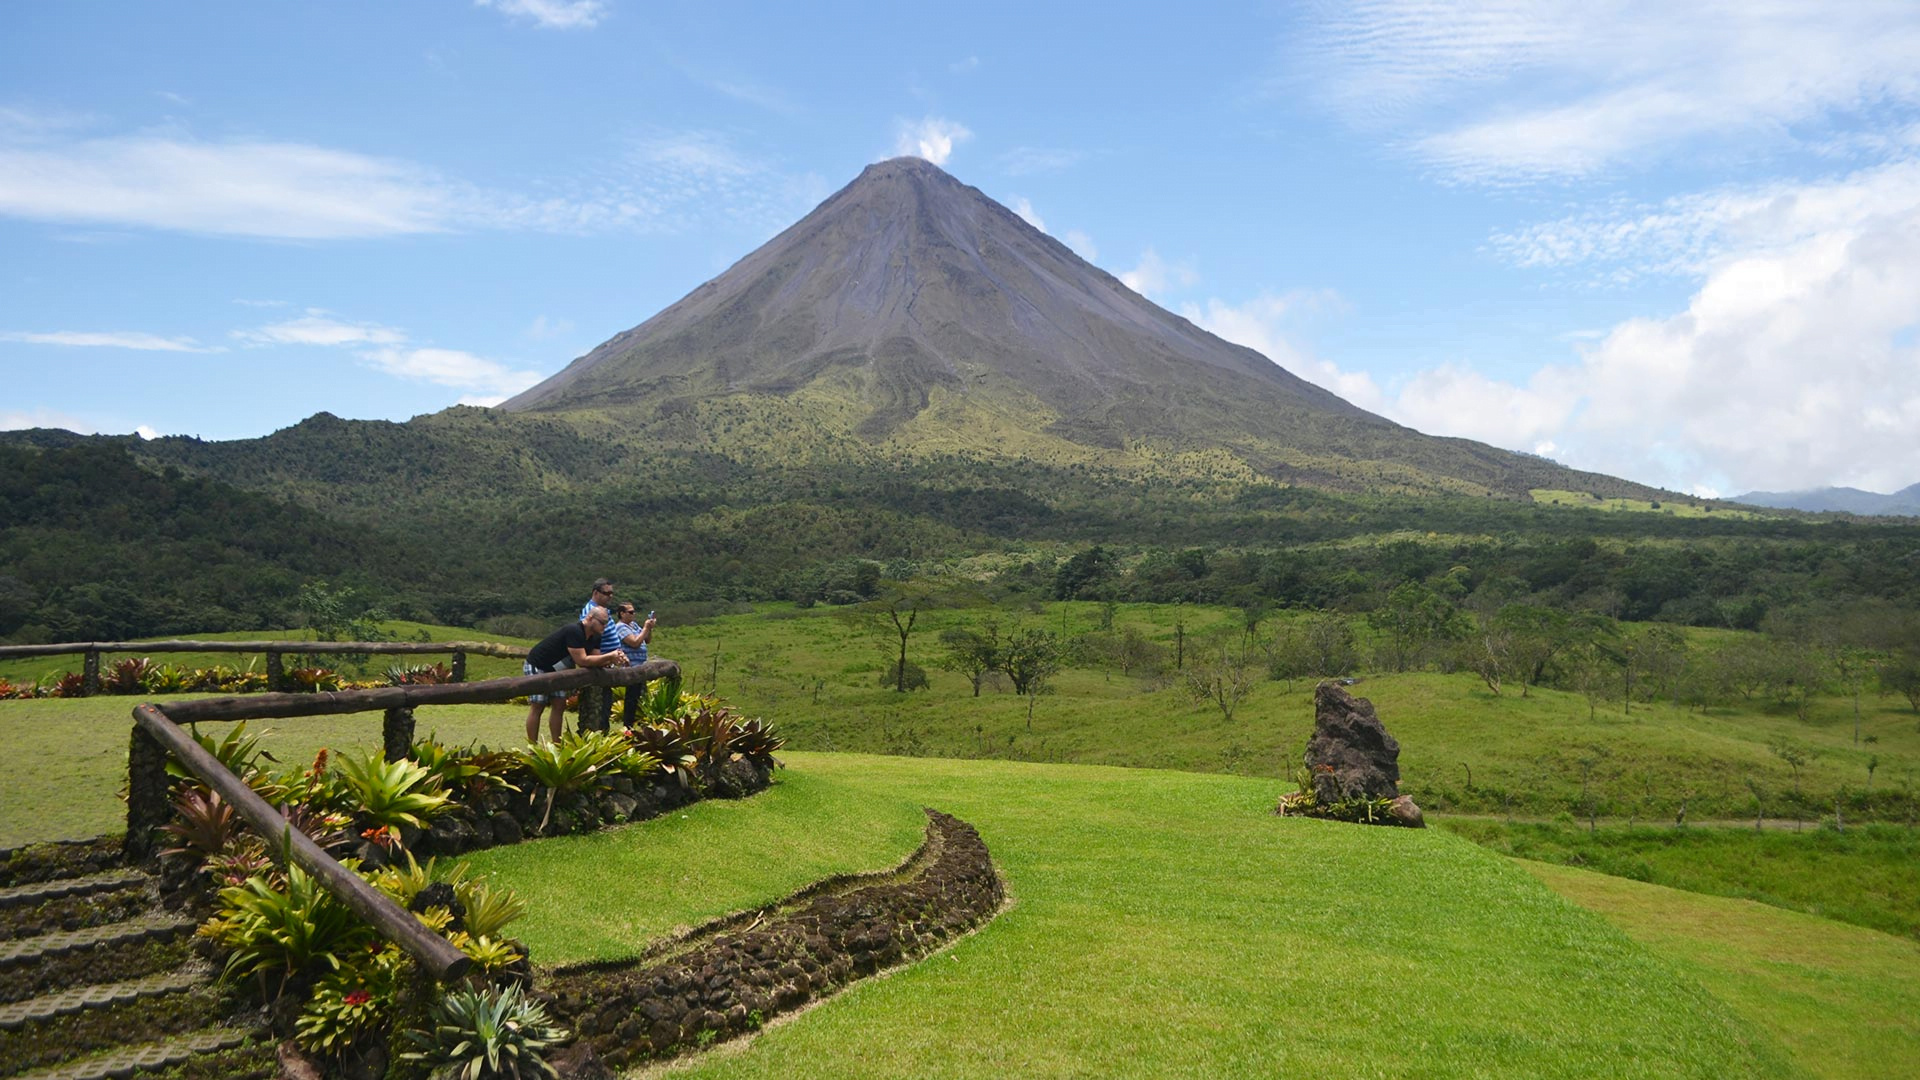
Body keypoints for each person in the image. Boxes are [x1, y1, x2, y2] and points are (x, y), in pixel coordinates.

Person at [523, 604, 627, 743]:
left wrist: (616, 659)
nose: (604, 626)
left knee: (559, 705)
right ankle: (533, 747)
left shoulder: (596, 636)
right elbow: (582, 660)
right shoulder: (574, 631)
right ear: (590, 618)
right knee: (538, 705)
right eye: (602, 622)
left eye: (606, 623)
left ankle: (557, 744)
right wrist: (610, 656)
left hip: (558, 670)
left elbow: (596, 660)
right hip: (539, 665)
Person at [606, 604, 657, 728]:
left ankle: (638, 723)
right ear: (622, 613)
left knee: (639, 696)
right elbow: (635, 642)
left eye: (634, 612)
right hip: (630, 667)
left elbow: (647, 640)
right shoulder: (620, 627)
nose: (633, 614)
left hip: (640, 666)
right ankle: (628, 725)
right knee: (632, 697)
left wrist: (649, 629)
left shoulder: (633, 626)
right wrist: (645, 628)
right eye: (630, 612)